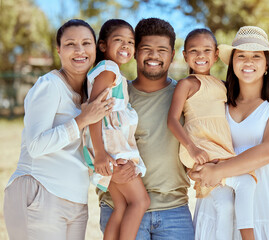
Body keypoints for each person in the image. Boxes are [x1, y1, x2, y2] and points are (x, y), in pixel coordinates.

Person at [3, 19, 114, 240]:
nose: (79, 50)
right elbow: (35, 146)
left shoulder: (90, 93)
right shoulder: (49, 86)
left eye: (86, 43)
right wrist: (82, 120)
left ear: (96, 47)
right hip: (40, 192)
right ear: (59, 50)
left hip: (76, 201)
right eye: (70, 44)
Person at [191, 26, 269, 240]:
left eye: (256, 56)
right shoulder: (217, 102)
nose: (248, 62)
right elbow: (198, 137)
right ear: (232, 63)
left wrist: (217, 171)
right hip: (216, 211)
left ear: (267, 65)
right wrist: (197, 171)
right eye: (241, 56)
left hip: (262, 211)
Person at [97, 18, 195, 240]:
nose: (154, 56)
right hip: (119, 207)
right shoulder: (116, 93)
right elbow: (91, 139)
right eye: (146, 49)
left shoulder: (185, 94)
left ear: (172, 55)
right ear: (134, 52)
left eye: (162, 50)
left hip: (174, 211)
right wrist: (112, 175)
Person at [167, 28, 258, 240]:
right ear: (185, 56)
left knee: (228, 201)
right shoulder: (186, 84)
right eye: (194, 51)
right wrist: (191, 147)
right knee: (239, 188)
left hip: (220, 148)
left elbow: (252, 94)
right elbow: (172, 120)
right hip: (200, 147)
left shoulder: (223, 86)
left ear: (216, 55)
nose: (200, 55)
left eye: (207, 50)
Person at [83, 19, 149, 240]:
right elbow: (94, 112)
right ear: (103, 45)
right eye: (118, 40)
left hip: (108, 147)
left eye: (130, 42)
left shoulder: (114, 74)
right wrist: (101, 154)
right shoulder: (108, 69)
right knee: (140, 201)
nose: (126, 46)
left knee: (121, 207)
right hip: (111, 148)